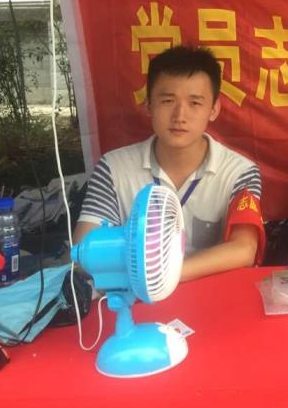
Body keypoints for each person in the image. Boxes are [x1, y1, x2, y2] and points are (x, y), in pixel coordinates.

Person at [74, 45, 264, 281]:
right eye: (167, 101)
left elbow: (245, 249)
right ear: (149, 105)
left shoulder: (239, 172)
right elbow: (83, 253)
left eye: (195, 103)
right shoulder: (114, 168)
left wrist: (164, 277)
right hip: (135, 295)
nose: (179, 116)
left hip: (208, 293)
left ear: (214, 109)